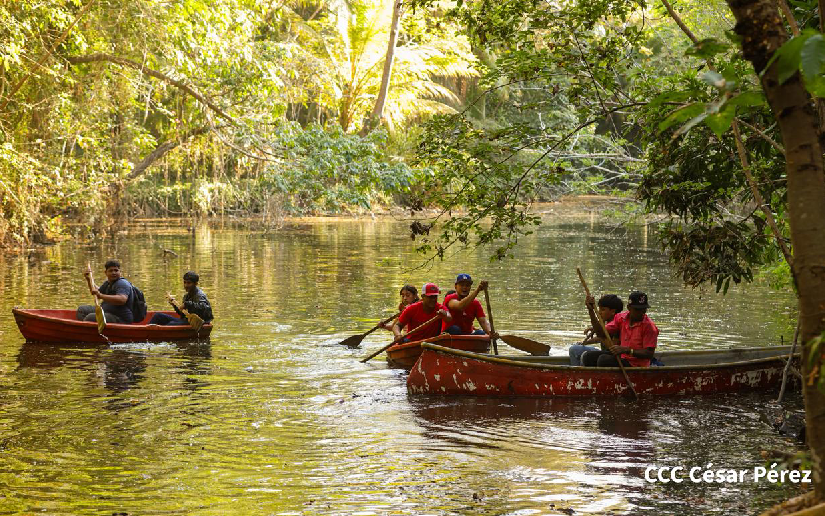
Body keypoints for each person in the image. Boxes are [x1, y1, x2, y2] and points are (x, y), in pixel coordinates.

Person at [581, 291, 659, 368]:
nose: (642, 312)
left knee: (603, 360)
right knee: (588, 356)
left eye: (644, 309)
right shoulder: (621, 318)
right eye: (637, 309)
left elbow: (649, 353)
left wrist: (627, 350)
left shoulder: (649, 326)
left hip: (635, 364)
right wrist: (591, 311)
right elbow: (601, 333)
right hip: (622, 357)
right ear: (629, 308)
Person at [569, 294, 623, 365]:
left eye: (603, 310)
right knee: (574, 349)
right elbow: (600, 336)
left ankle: (581, 371)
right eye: (599, 309)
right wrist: (585, 342)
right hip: (603, 352)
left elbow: (608, 344)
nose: (599, 312)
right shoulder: (605, 322)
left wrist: (596, 330)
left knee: (585, 355)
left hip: (610, 357)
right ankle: (575, 370)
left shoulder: (618, 325)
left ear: (612, 311)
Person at [149, 271, 213, 326]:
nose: (186, 285)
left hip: (198, 324)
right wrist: (174, 305)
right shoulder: (186, 296)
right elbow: (182, 314)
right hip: (187, 320)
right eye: (185, 282)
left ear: (196, 284)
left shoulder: (200, 295)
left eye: (189, 283)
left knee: (171, 324)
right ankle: (147, 331)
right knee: (157, 316)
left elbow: (204, 308)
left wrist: (187, 304)